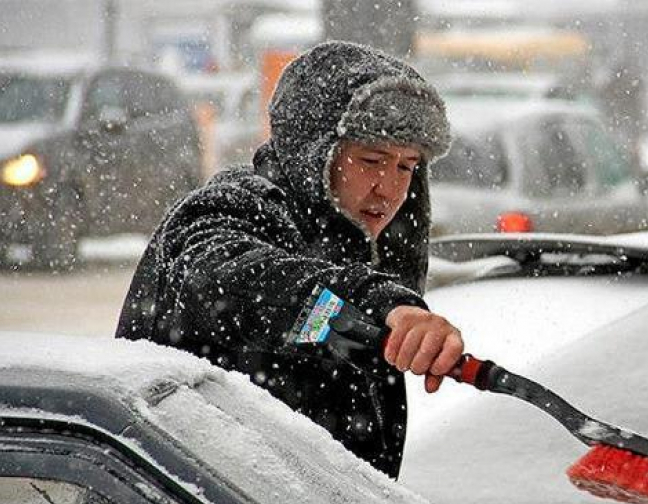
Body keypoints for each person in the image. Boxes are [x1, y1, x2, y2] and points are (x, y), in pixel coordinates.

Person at [116, 41, 463, 479]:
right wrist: (378, 303)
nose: (389, 188)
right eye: (371, 160)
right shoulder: (229, 210)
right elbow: (229, 282)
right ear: (313, 151)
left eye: (406, 166)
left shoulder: (350, 260)